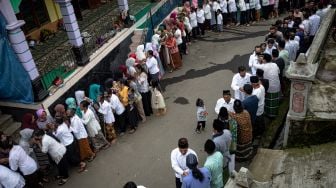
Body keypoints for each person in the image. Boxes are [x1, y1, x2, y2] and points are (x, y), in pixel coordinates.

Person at [252, 53, 280, 117]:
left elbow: (254, 65)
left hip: (269, 87)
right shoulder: (275, 64)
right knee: (274, 101)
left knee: (268, 101)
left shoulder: (263, 66)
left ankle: (269, 114)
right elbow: (278, 72)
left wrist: (258, 60)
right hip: (277, 86)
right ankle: (274, 113)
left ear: (264, 60)